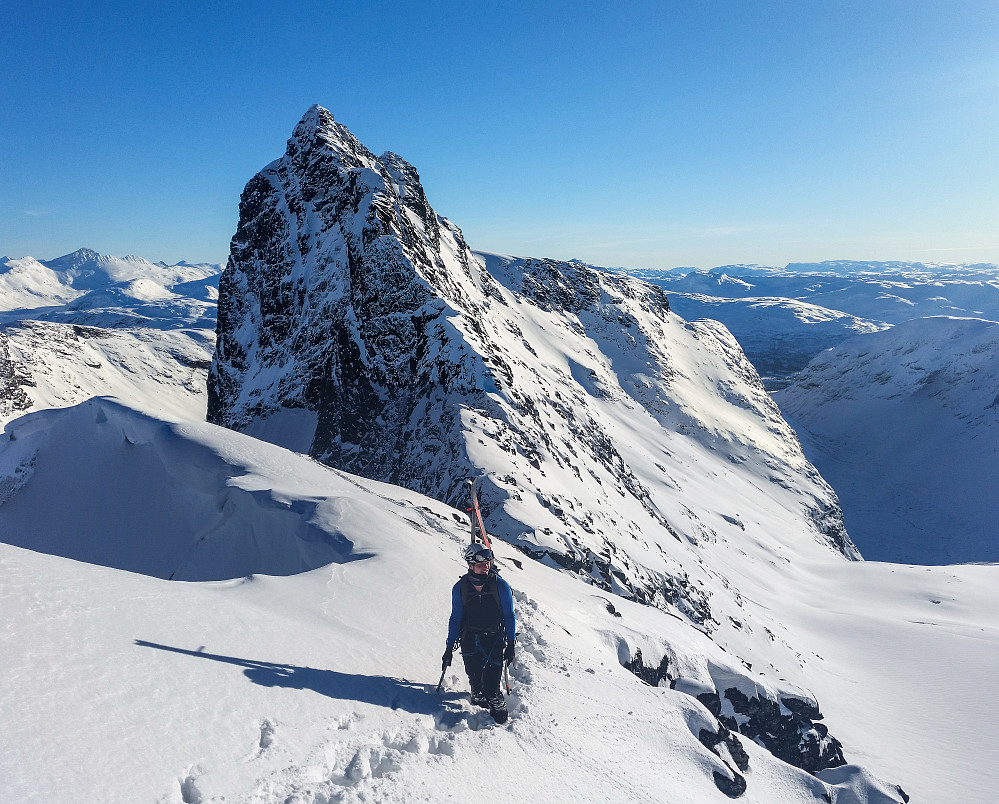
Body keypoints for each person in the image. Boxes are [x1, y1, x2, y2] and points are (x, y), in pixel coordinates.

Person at [442, 543, 516, 723]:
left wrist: (511, 643)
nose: (487, 565)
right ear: (470, 564)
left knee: (491, 687)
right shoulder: (460, 588)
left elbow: (509, 615)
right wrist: (449, 647)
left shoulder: (500, 586)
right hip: (469, 639)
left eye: (488, 561)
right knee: (475, 681)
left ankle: (499, 713)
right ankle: (477, 698)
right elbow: (456, 618)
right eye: (481, 562)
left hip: (494, 640)